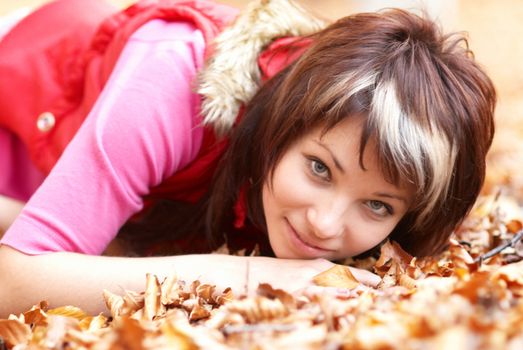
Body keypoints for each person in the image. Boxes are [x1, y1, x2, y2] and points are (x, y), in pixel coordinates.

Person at [0, 0, 495, 317]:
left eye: (378, 206)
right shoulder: (175, 89)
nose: (325, 225)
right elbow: (13, 280)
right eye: (319, 169)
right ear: (281, 125)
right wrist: (244, 276)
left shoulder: (322, 148)